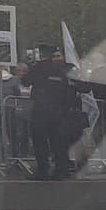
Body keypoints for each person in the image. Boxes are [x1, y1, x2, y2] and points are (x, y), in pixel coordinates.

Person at [27, 44, 78, 180]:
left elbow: (26, 81)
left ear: (41, 55)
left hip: (41, 111)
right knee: (58, 143)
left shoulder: (38, 68)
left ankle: (43, 170)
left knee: (40, 142)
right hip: (58, 111)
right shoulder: (61, 70)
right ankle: (60, 171)